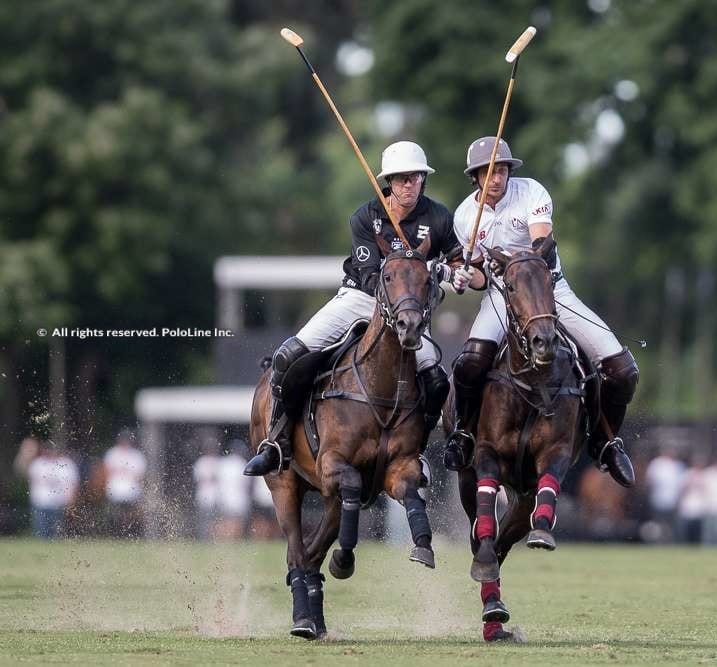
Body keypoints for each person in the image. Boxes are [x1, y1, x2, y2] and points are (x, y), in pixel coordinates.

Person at [244, 141, 466, 476]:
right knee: (288, 355)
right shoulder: (366, 217)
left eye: (416, 177)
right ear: (388, 182)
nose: (409, 184)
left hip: (408, 313)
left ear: (424, 179)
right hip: (360, 299)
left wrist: (457, 273)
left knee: (436, 380)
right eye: (402, 178)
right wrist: (424, 269)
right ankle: (277, 441)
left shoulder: (438, 217)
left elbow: (459, 262)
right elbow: (369, 276)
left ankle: (416, 449)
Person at [441, 136, 639, 487]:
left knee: (621, 370)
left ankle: (605, 441)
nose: (496, 178)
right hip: (503, 299)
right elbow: (482, 277)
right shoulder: (464, 217)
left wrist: (510, 263)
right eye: (488, 172)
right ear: (475, 177)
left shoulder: (531, 192)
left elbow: (541, 244)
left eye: (501, 170)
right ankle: (463, 433)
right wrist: (469, 276)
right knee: (470, 362)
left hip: (551, 292)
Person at [26, 443, 79, 539]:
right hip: (40, 501)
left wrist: (71, 500)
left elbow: (72, 483)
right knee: (41, 530)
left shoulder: (65, 464)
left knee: (56, 531)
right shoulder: (38, 463)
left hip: (58, 502)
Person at [102, 428, 147, 538]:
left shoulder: (137, 455)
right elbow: (106, 472)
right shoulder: (112, 453)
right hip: (115, 490)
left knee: (130, 516)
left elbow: (140, 476)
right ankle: (114, 535)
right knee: (115, 516)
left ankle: (130, 535)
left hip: (132, 491)